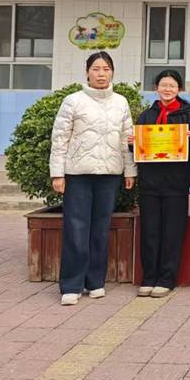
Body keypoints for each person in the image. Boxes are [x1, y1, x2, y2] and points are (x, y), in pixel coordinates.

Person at [49, 52, 136, 306]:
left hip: (109, 175)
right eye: (96, 69)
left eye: (106, 69)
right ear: (87, 72)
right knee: (76, 229)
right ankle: (71, 285)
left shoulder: (121, 102)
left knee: (100, 229)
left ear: (112, 72)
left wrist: (130, 171)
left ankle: (95, 282)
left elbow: (127, 139)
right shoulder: (73, 101)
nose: (101, 74)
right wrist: (57, 173)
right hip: (78, 175)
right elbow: (60, 138)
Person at [133, 70, 190, 299]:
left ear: (179, 89)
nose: (168, 89)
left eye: (172, 86)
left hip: (176, 182)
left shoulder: (187, 114)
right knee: (150, 230)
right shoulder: (147, 115)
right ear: (156, 88)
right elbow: (138, 149)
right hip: (150, 182)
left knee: (173, 231)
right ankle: (149, 277)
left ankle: (167, 279)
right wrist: (133, 143)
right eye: (164, 85)